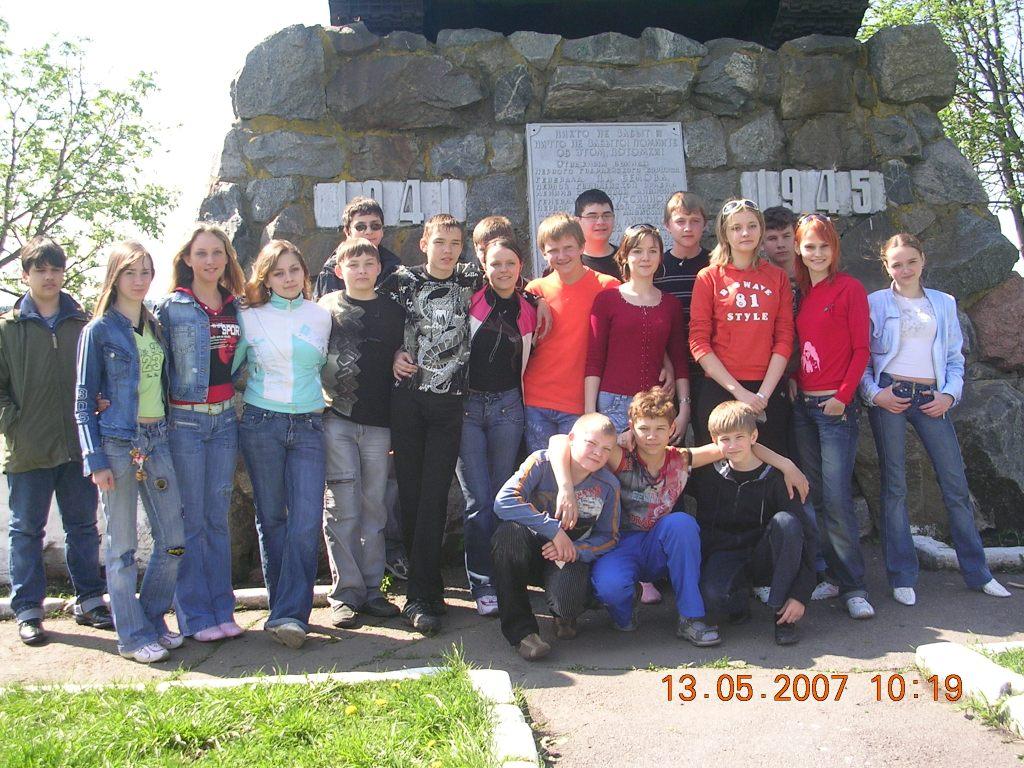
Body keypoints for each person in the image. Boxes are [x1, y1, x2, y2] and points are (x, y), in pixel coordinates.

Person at [549, 387, 807, 645]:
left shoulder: (681, 459)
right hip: (622, 543)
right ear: (631, 427)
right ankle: (626, 610)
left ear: (672, 428)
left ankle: (690, 618)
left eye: (660, 428)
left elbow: (734, 445)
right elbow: (560, 440)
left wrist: (786, 464)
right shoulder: (619, 456)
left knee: (682, 523)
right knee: (611, 589)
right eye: (644, 428)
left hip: (660, 543)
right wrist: (566, 487)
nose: (652, 436)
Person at [861, 233, 1009, 605]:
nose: (905, 269)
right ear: (886, 266)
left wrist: (949, 395)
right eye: (897, 264)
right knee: (895, 487)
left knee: (955, 483)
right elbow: (861, 357)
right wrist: (874, 394)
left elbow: (955, 359)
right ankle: (902, 576)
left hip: (932, 397)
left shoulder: (943, 303)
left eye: (911, 261)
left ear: (923, 260)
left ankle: (978, 572)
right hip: (891, 394)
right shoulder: (875, 303)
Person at [75, 241, 184, 664]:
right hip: (118, 443)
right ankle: (132, 636)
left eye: (145, 272)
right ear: (115, 277)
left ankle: (152, 619)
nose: (139, 281)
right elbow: (84, 401)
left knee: (173, 540)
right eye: (130, 273)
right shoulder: (98, 331)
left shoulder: (155, 325)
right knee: (120, 549)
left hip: (158, 439)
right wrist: (94, 458)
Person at [0, 237, 110, 646]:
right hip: (28, 449)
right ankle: (29, 610)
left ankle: (90, 600)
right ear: (25, 275)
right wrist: (14, 423)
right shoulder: (8, 328)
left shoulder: (83, 324)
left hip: (79, 446)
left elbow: (100, 376)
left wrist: (101, 402)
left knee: (83, 527)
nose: (49, 277)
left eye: (55, 269)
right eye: (40, 269)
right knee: (26, 530)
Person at [384, 214, 482, 636]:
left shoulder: (469, 279)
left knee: (435, 497)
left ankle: (421, 593)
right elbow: (376, 326)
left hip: (449, 405)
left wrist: (540, 302)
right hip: (408, 401)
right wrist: (392, 353)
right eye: (440, 242)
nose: (448, 250)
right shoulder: (401, 281)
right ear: (424, 243)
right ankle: (422, 591)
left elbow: (511, 284)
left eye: (455, 243)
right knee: (411, 494)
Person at [235, 240, 331, 649]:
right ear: (266, 278)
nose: (288, 278)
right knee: (271, 517)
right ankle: (283, 611)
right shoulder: (248, 317)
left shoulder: (321, 315)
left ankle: (291, 614)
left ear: (305, 273)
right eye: (278, 272)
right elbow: (227, 368)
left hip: (309, 425)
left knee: (306, 519)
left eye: (294, 270)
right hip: (261, 423)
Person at [154, 224, 246, 643]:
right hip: (186, 423)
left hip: (225, 421)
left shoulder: (235, 307)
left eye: (217, 253)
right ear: (187, 259)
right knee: (191, 522)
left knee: (216, 520)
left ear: (227, 258)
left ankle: (222, 609)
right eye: (202, 253)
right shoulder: (171, 308)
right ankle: (194, 615)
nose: (210, 261)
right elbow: (155, 368)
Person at [318, 238, 406, 629]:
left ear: (378, 268)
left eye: (369, 263)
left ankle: (372, 589)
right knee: (342, 507)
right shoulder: (326, 308)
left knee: (375, 507)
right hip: (337, 419)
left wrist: (401, 356)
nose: (362, 270)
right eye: (353, 265)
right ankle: (345, 594)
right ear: (339, 270)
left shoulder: (393, 310)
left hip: (379, 423)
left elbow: (405, 351)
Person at [790, 214, 875, 620]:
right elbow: (800, 347)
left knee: (838, 499)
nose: (817, 253)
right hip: (803, 409)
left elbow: (862, 350)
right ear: (799, 249)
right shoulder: (802, 294)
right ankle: (832, 575)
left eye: (824, 246)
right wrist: (794, 380)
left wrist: (843, 396)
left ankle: (854, 586)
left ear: (834, 249)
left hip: (835, 410)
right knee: (815, 497)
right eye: (810, 246)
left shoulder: (849, 289)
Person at [491, 413, 620, 660]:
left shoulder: (608, 485)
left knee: (567, 601)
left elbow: (609, 537)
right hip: (529, 549)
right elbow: (503, 502)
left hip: (567, 556)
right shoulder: (541, 462)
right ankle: (523, 633)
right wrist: (554, 530)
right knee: (508, 535)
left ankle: (565, 614)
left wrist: (576, 549)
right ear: (571, 439)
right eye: (591, 443)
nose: (597, 453)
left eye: (606, 449)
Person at [456, 237, 538, 617]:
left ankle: (507, 577)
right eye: (495, 263)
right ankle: (482, 580)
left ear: (520, 266)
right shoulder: (470, 299)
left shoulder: (530, 309)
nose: (502, 270)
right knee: (478, 500)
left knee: (504, 498)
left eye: (510, 263)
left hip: (508, 408)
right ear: (484, 266)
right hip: (468, 409)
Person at [695, 401, 817, 645]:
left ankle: (783, 617)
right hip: (725, 552)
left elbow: (807, 538)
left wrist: (800, 595)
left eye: (739, 437)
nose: (732, 445)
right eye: (725, 439)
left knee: (787, 523)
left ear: (754, 436)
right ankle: (739, 599)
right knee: (713, 599)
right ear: (714, 440)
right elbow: (669, 457)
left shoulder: (778, 478)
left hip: (764, 552)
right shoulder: (708, 472)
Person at [689, 198, 794, 452]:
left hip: (767, 389)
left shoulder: (778, 277)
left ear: (760, 230)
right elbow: (698, 341)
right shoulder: (709, 277)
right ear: (724, 233)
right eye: (736, 228)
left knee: (769, 463)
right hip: (721, 388)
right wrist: (739, 392)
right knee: (719, 466)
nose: (745, 233)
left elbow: (784, 338)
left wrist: (762, 395)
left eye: (751, 226)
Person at [523, 213, 620, 451]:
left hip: (580, 403)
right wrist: (535, 301)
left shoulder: (607, 287)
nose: (562, 256)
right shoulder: (535, 291)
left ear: (582, 247)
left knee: (578, 471)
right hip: (536, 400)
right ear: (543, 253)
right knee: (542, 470)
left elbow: (630, 330)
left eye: (568, 248)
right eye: (553, 250)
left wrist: (665, 364)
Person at [585, 223, 689, 437]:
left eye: (653, 251)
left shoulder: (671, 305)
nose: (645, 258)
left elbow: (680, 360)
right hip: (613, 402)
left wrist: (685, 408)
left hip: (657, 405)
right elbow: (595, 359)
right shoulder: (607, 300)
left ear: (660, 257)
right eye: (638, 251)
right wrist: (589, 412)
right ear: (624, 256)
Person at [653, 191, 712, 399]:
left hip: (711, 368)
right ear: (667, 225)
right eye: (680, 221)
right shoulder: (656, 268)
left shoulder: (716, 264)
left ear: (705, 225)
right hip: (669, 368)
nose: (688, 228)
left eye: (695, 221)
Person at [313, 196, 402, 300]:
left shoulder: (395, 268)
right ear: (347, 232)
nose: (369, 231)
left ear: (382, 231)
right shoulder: (330, 271)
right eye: (360, 227)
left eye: (375, 226)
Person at [575, 189, 621, 280]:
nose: (600, 222)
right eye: (592, 216)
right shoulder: (568, 262)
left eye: (606, 215)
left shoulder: (627, 260)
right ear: (578, 221)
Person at [762, 206, 798, 284]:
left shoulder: (814, 272)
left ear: (797, 237)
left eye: (786, 236)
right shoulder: (757, 280)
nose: (780, 244)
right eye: (772, 238)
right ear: (761, 244)